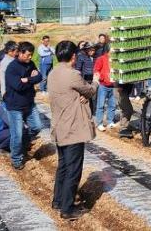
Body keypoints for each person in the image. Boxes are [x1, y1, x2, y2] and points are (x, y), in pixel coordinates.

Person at [48, 40, 98, 221]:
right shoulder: (73, 74)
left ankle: (58, 200)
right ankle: (67, 209)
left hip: (60, 126)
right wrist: (95, 82)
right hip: (73, 128)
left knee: (63, 166)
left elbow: (72, 94)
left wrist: (80, 96)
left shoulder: (53, 73)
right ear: (74, 56)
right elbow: (89, 90)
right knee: (73, 170)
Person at [4, 41, 43, 169]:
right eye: (28, 55)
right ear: (20, 53)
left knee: (37, 127)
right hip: (15, 106)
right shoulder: (12, 68)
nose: (30, 57)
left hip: (29, 103)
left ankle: (24, 144)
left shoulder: (30, 64)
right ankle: (16, 159)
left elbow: (39, 77)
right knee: (17, 134)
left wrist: (27, 79)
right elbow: (18, 86)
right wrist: (31, 80)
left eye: (31, 55)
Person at [92, 48, 117, 131]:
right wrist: (102, 78)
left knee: (112, 104)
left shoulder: (116, 59)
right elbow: (96, 70)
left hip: (113, 86)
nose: (114, 52)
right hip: (103, 86)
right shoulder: (101, 58)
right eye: (113, 50)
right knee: (101, 105)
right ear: (108, 50)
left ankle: (110, 121)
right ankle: (99, 123)